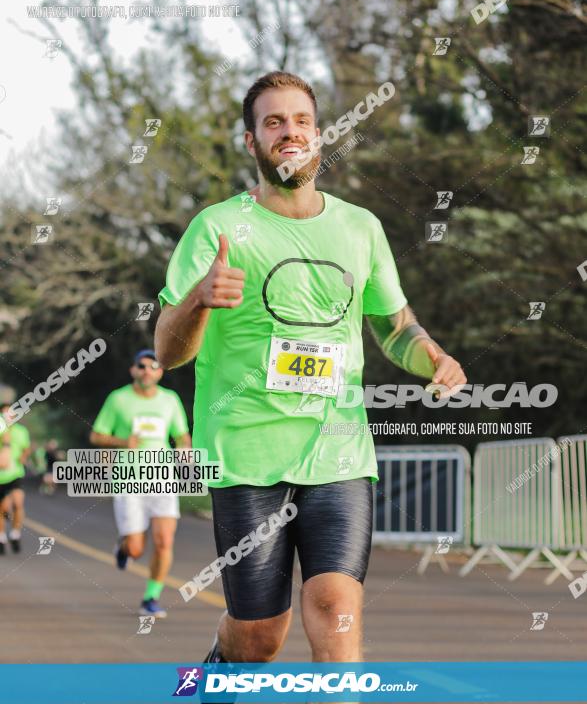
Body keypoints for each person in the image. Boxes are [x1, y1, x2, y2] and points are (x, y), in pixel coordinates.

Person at [154, 71, 467, 663]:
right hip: (245, 454)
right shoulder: (217, 228)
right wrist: (198, 298)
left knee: (334, 607)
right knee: (259, 636)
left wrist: (435, 359)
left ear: (319, 136)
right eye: (272, 122)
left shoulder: (359, 227)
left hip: (339, 452)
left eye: (299, 120)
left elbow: (396, 327)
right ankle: (218, 668)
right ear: (251, 142)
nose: (288, 132)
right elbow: (169, 352)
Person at [89, 348, 191, 618]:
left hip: (162, 478)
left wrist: (184, 449)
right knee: (135, 547)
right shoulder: (118, 399)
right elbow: (97, 436)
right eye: (142, 366)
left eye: (154, 366)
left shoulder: (170, 400)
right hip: (128, 479)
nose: (148, 370)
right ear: (133, 370)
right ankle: (124, 548)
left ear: (160, 371)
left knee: (164, 541)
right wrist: (123, 442)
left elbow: (181, 435)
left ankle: (150, 598)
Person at [0, 402, 31, 555]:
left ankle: (15, 534)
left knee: (18, 502)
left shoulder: (21, 431)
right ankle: (1, 537)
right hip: (1, 476)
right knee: (4, 509)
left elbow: (26, 448)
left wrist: (23, 457)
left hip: (16, 474)